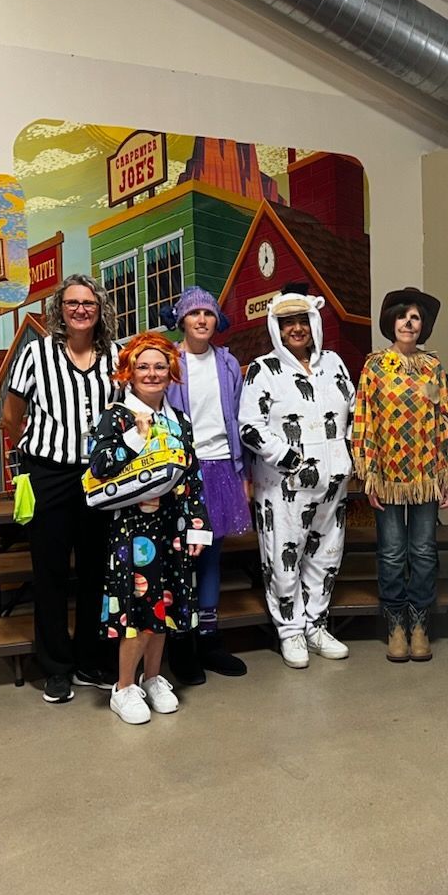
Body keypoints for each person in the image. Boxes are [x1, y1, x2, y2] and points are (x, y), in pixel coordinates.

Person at [3, 274, 118, 704]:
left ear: (99, 308)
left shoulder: (115, 355)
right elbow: (12, 416)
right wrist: (31, 456)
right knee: (50, 572)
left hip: (101, 476)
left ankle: (89, 660)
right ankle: (56, 668)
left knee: (96, 572)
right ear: (59, 310)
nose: (81, 310)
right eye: (72, 303)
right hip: (49, 473)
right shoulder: (36, 354)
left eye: (88, 303)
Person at [85, 332, 210, 723]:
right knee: (138, 611)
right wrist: (135, 437)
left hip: (172, 528)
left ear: (170, 371)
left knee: (165, 607)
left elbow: (192, 476)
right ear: (129, 372)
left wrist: (196, 526)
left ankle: (153, 678)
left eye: (159, 366)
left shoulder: (181, 420)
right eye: (143, 367)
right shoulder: (117, 415)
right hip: (134, 532)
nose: (152, 373)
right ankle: (124, 687)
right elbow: (101, 468)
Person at [238, 288, 354, 669]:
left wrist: (348, 454)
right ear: (276, 328)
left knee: (326, 556)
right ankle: (290, 631)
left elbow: (354, 412)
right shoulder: (262, 369)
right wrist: (291, 459)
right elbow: (250, 428)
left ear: (314, 323)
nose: (297, 329)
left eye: (302, 321)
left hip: (333, 483)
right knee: (283, 559)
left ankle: (316, 625)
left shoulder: (334, 364)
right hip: (284, 487)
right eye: (288, 323)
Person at [352, 287, 448, 663]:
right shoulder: (375, 366)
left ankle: (420, 625)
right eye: (402, 316)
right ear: (391, 323)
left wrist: (445, 473)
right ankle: (395, 624)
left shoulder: (432, 367)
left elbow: (444, 419)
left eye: (415, 317)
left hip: (426, 473)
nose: (408, 323)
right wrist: (368, 473)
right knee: (394, 552)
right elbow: (363, 421)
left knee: (424, 552)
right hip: (388, 476)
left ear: (422, 325)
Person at [162, 287, 251, 684]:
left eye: (209, 314)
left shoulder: (228, 364)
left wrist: (242, 472)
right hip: (182, 469)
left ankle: (210, 637)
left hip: (220, 467)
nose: (202, 320)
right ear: (181, 320)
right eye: (194, 313)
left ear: (217, 321)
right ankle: (181, 641)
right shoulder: (168, 362)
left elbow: (238, 417)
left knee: (212, 554)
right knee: (182, 556)